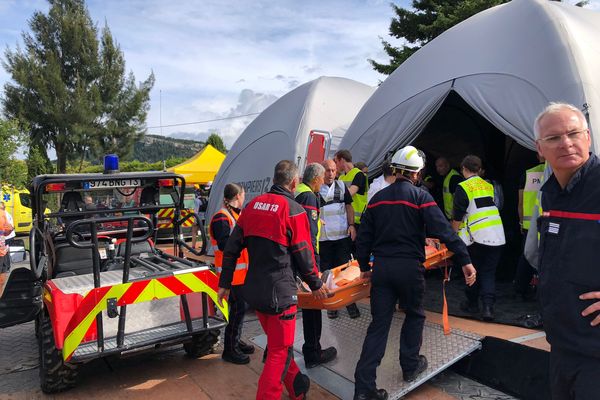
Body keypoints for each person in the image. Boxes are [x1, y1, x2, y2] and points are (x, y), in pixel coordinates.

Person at [353, 146, 476, 400]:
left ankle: (364, 389)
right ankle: (410, 365)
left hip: (383, 269)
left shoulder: (377, 199)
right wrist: (464, 260)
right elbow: (444, 231)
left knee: (379, 325)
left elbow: (363, 238)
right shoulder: (421, 197)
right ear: (417, 173)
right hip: (409, 268)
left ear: (396, 171)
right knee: (414, 314)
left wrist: (364, 267)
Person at [217, 160, 328, 400]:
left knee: (280, 347)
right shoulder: (293, 210)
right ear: (295, 182)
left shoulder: (252, 207)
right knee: (279, 351)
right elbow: (303, 253)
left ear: (274, 178)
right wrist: (317, 284)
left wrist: (225, 284)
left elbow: (231, 249)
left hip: (256, 295)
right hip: (281, 296)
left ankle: (297, 386)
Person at [533, 102, 600, 399]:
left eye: (573, 133)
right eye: (554, 138)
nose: (566, 143)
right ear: (540, 148)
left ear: (588, 137)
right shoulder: (550, 194)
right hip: (562, 346)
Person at [452, 155, 505, 321]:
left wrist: (452, 236)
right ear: (479, 169)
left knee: (471, 271)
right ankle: (488, 308)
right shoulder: (488, 185)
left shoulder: (463, 187)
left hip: (476, 237)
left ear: (464, 169)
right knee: (488, 272)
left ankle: (473, 304)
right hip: (496, 234)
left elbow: (458, 216)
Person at [295, 163, 338, 368]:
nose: (323, 182)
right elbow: (309, 235)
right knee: (314, 304)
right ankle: (313, 351)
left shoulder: (297, 193)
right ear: (316, 179)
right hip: (308, 260)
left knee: (307, 305)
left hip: (297, 260)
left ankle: (310, 349)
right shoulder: (309, 197)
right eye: (322, 179)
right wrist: (313, 269)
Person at [209, 183, 254, 364]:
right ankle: (230, 349)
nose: (245, 198)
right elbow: (225, 245)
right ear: (238, 196)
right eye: (243, 195)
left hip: (239, 275)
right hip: (230, 275)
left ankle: (235, 341)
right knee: (237, 311)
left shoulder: (236, 215)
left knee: (239, 311)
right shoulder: (222, 217)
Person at [319, 159, 360, 319]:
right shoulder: (316, 189)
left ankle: (350, 304)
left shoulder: (342, 187)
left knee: (345, 271)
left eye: (333, 170)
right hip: (324, 238)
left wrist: (351, 225)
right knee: (327, 273)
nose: (330, 174)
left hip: (342, 237)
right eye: (327, 170)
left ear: (337, 171)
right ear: (322, 172)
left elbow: (349, 207)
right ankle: (332, 305)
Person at [514, 155, 545, 300]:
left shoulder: (527, 174)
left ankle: (520, 289)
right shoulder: (559, 171)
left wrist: (521, 222)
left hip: (528, 224)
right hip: (549, 222)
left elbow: (520, 202)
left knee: (526, 256)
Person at [334, 149, 368, 234]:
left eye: (336, 162)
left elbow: (350, 193)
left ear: (342, 160)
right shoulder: (341, 177)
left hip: (357, 221)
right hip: (344, 219)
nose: (335, 165)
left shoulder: (359, 174)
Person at [191, 185, 209, 249]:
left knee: (194, 232)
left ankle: (193, 247)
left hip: (199, 218)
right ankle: (205, 246)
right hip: (205, 218)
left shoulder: (197, 200)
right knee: (203, 233)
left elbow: (196, 211)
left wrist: (195, 221)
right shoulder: (206, 199)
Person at [0, 205, 14, 274]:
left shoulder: (5, 214)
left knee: (5, 251)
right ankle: (6, 268)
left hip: (6, 237)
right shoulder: (3, 214)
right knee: (4, 252)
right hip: (3, 237)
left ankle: (6, 267)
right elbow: (10, 228)